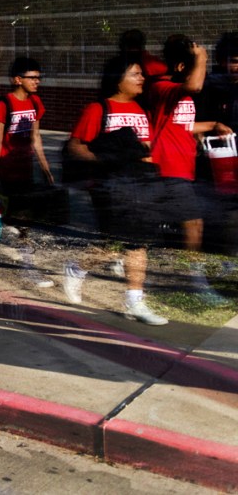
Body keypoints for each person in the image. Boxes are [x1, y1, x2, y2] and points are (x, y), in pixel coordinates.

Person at [64, 56, 165, 324]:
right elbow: (75, 146)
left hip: (139, 183)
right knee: (116, 243)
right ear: (117, 79)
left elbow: (146, 148)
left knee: (135, 242)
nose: (142, 78)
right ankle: (77, 268)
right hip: (110, 185)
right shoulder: (98, 109)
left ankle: (134, 301)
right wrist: (102, 160)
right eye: (135, 74)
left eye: (142, 74)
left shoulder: (141, 110)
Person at [148, 35, 232, 304]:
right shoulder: (162, 87)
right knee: (194, 224)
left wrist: (212, 125)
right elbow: (195, 86)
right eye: (197, 66)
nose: (203, 73)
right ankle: (195, 283)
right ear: (182, 66)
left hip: (184, 168)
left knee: (161, 226)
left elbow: (183, 125)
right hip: (169, 167)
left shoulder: (178, 92)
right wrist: (202, 57)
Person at [0, 56, 56, 288]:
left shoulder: (35, 103)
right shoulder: (4, 104)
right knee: (9, 219)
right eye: (32, 77)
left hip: (25, 172)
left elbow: (36, 138)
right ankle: (24, 266)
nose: (37, 81)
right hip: (5, 171)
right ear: (17, 79)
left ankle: (25, 266)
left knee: (21, 221)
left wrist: (45, 168)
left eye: (39, 77)